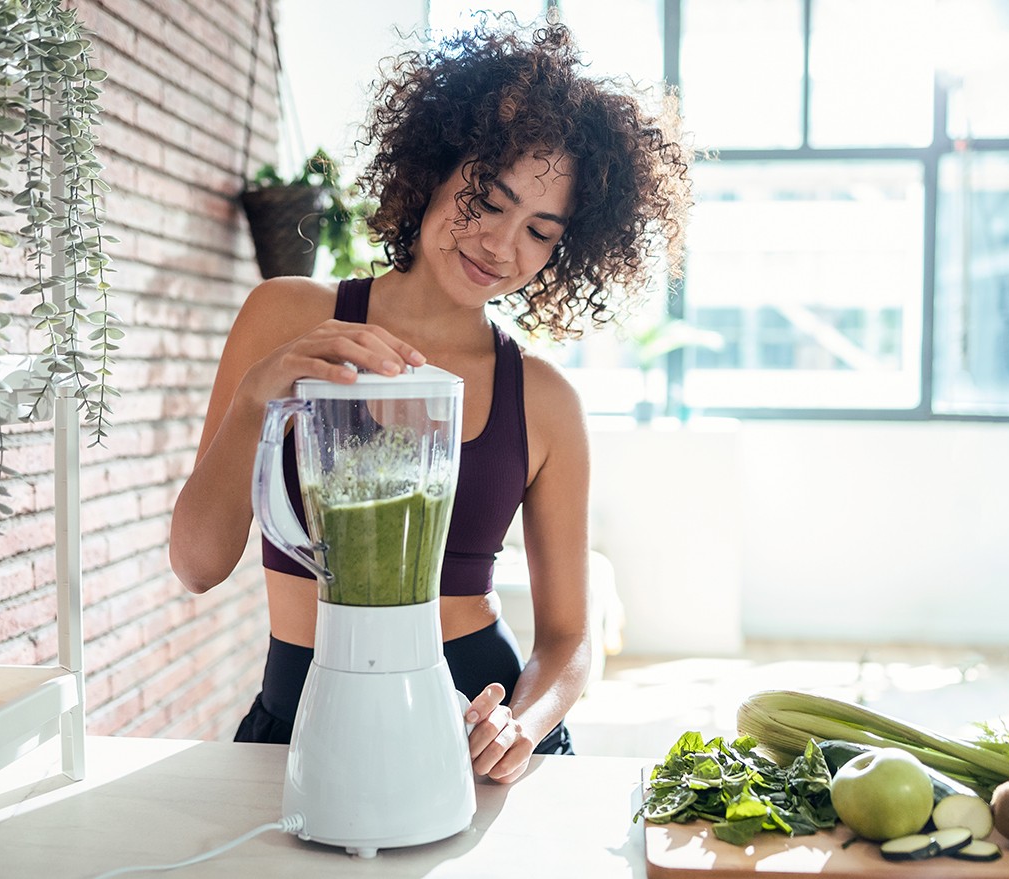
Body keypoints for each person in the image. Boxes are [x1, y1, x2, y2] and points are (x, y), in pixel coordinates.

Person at [169, 15, 692, 785]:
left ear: (564, 250)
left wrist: (525, 721)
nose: (500, 244)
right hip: (299, 716)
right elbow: (196, 563)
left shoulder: (544, 401)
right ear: (436, 169)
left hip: (474, 727)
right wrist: (258, 396)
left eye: (540, 230)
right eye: (488, 197)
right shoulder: (285, 317)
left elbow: (570, 638)